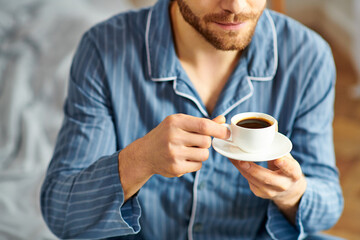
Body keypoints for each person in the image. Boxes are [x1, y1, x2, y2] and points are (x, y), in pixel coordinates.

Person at [40, 0, 344, 239]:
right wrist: (139, 161)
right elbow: (62, 215)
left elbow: (327, 207)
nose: (236, 6)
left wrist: (292, 193)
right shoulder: (103, 50)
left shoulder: (308, 57)